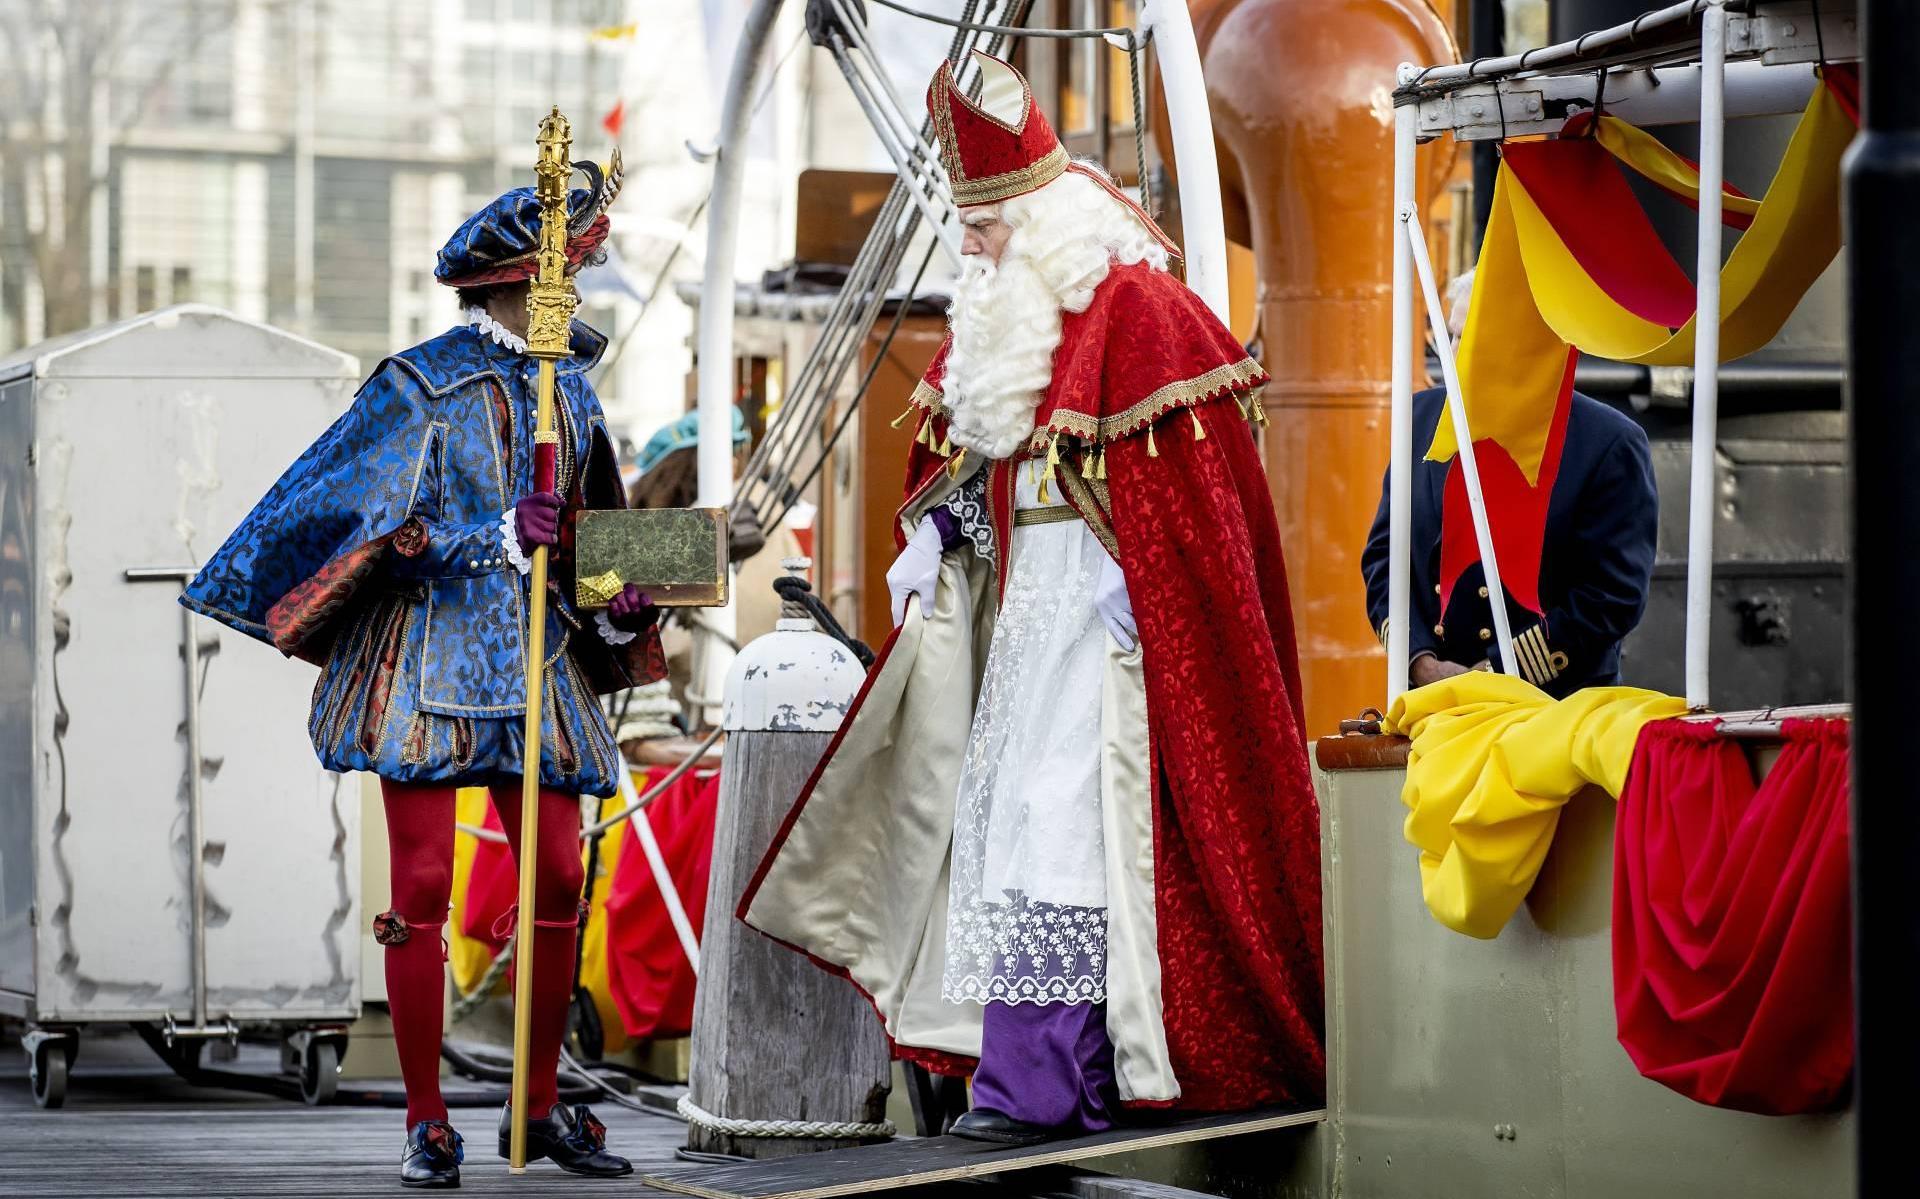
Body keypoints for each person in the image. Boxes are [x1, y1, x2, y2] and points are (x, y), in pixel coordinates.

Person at [738, 52, 1324, 1145]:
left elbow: (1188, 518)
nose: (970, 245)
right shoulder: (1015, 325)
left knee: (1064, 839)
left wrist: (1135, 596)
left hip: (1112, 644)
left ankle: (1047, 1088)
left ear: (1047, 222)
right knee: (1011, 839)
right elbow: (979, 465)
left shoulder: (1145, 314)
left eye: (989, 225)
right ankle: (1021, 1081)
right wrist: (940, 536)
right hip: (1026, 626)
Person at [181, 170, 663, 1187]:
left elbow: (598, 527)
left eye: (575, 277)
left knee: (564, 877)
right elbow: (364, 529)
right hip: (427, 663)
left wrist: (624, 593)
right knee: (424, 885)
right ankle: (427, 1115)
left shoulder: (571, 387)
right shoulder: (414, 384)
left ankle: (535, 1109)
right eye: (562, 278)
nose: (573, 296)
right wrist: (486, 533)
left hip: (536, 663)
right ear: (508, 286)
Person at [1360, 272, 1659, 697]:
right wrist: (1420, 662)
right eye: (1452, 335)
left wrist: (1496, 673)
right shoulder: (1420, 420)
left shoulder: (1607, 442)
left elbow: (1613, 596)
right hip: (1433, 705)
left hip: (1552, 707)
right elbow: (1384, 560)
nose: (1456, 353)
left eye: (1473, 336)